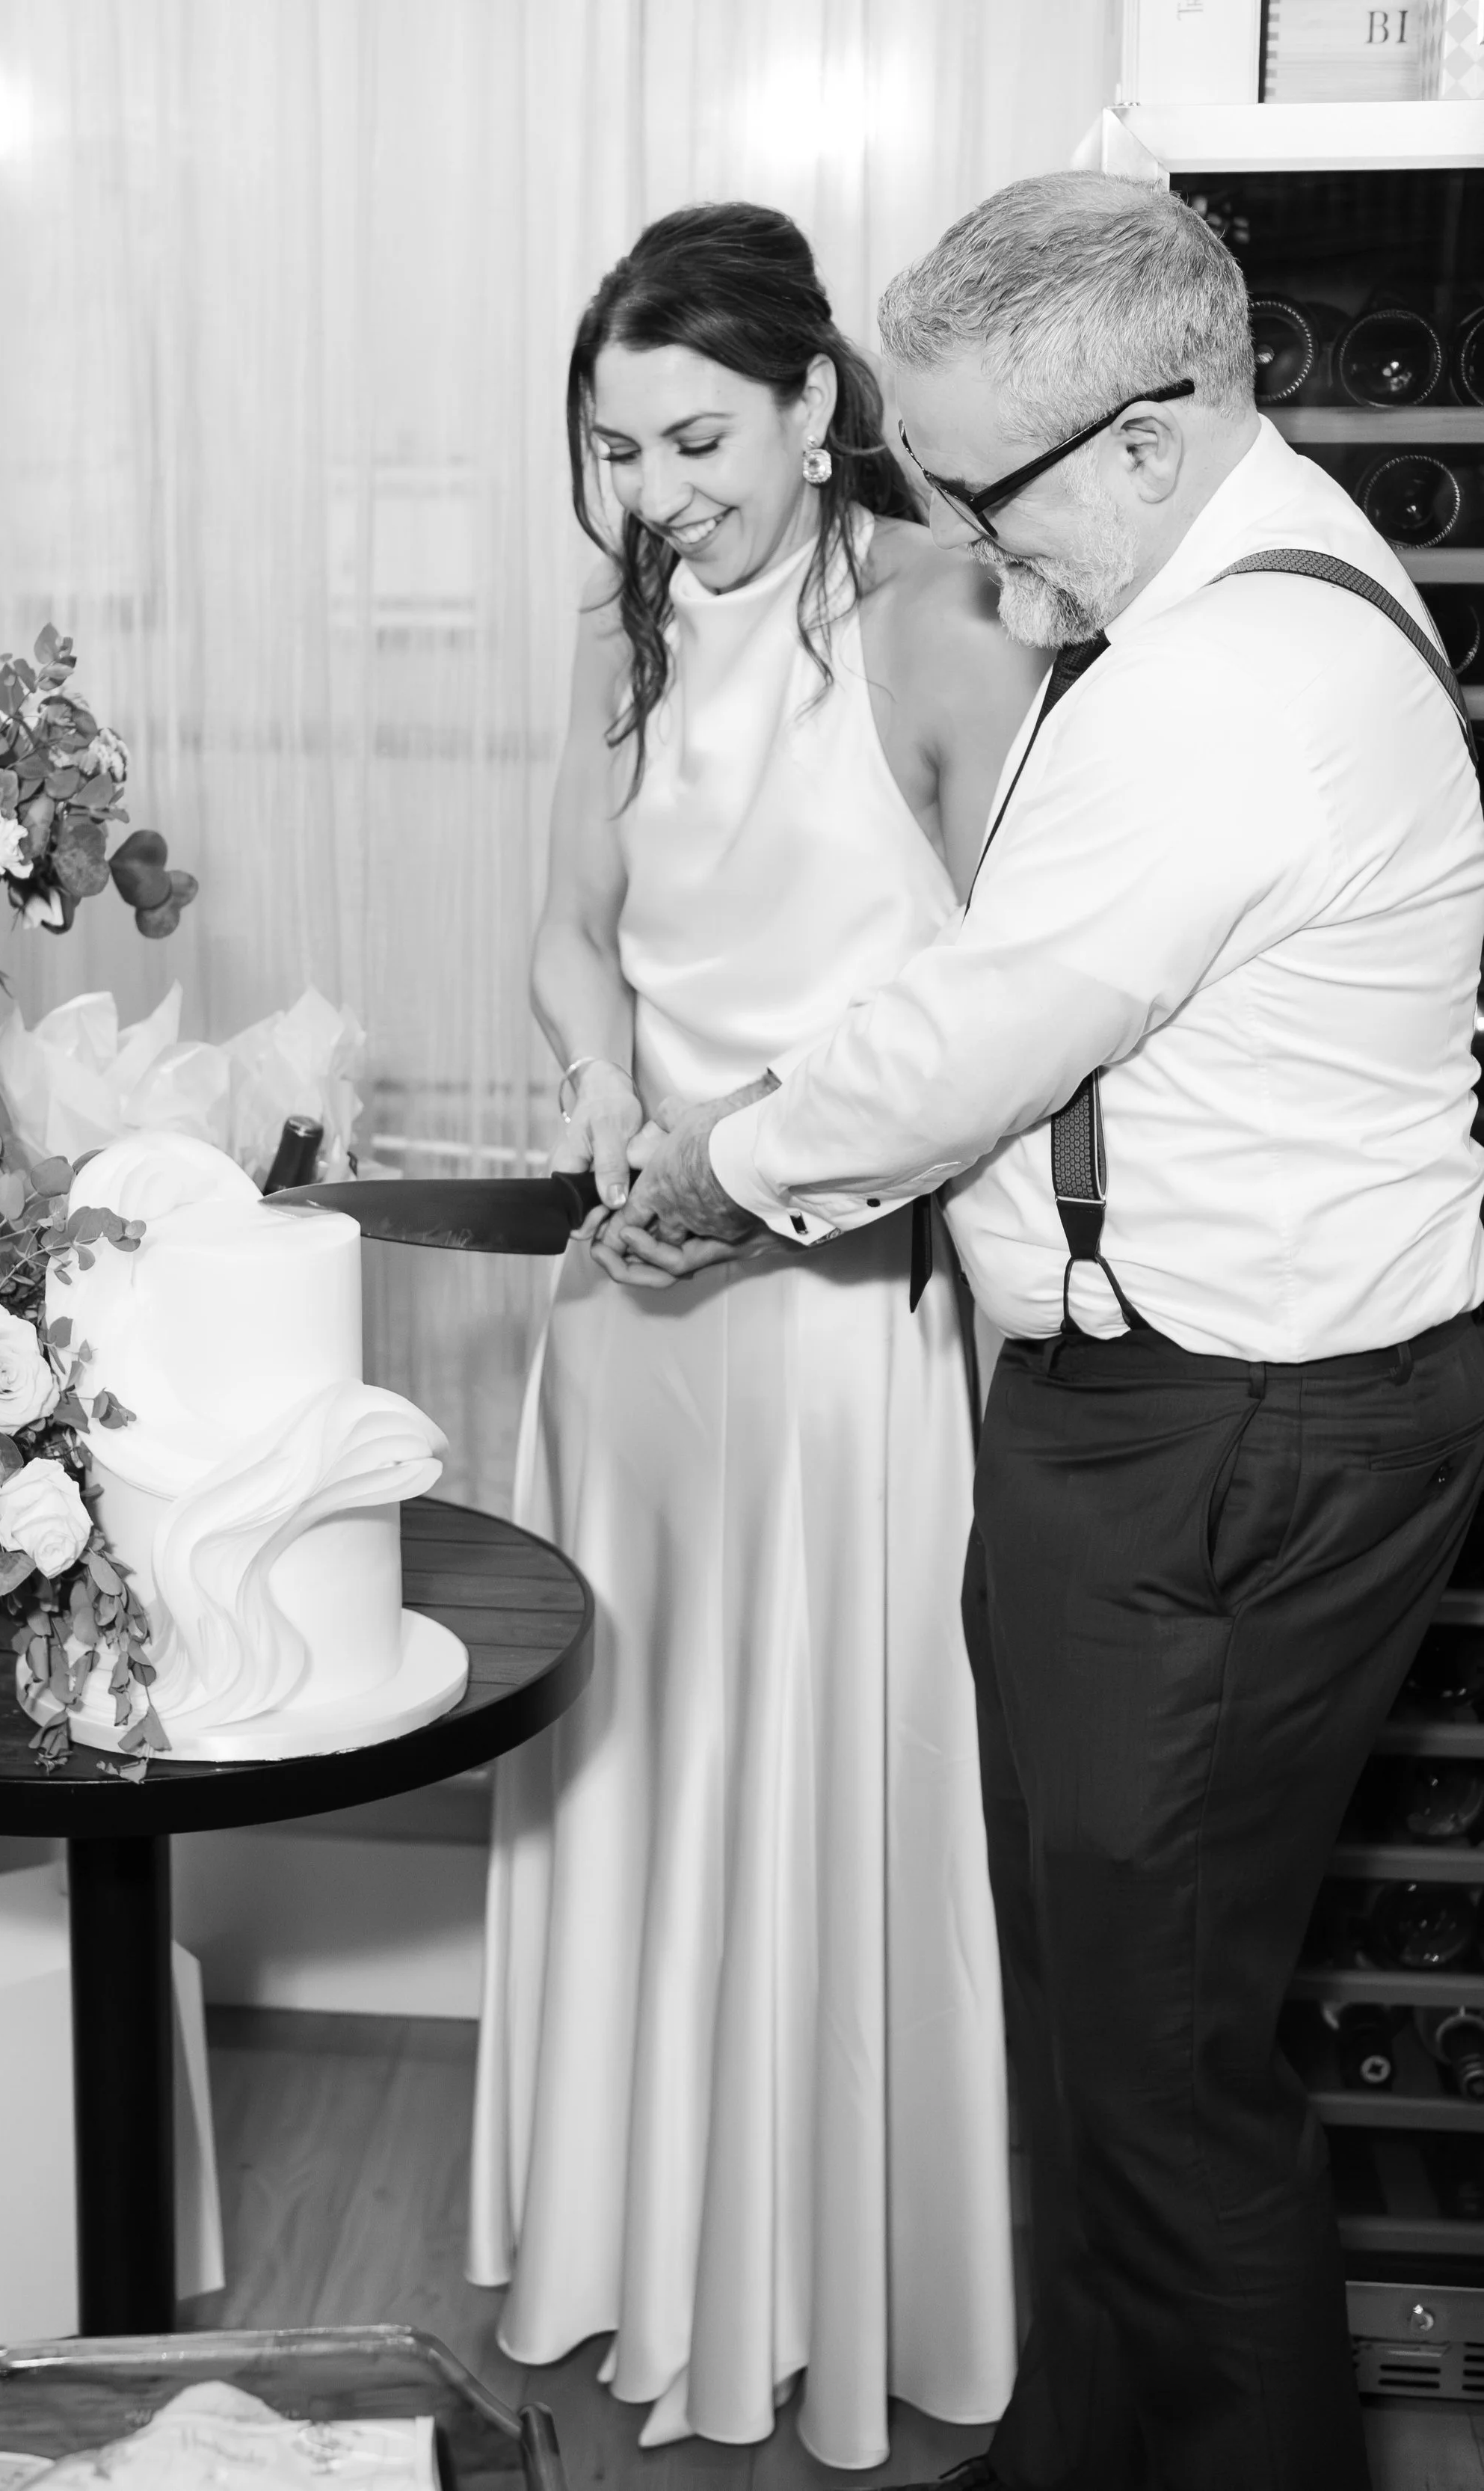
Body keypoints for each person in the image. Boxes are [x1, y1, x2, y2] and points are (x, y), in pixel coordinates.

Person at [615, 172, 1484, 2491]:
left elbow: (964, 1048)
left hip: (1221, 1436)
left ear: (1148, 427)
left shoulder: (1221, 692)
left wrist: (715, 1167)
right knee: (1111, 2033)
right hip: (1222, 1408)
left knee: (1169, 2077)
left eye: (984, 487)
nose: (977, 551)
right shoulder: (1262, 593)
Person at [466, 202, 1045, 2470]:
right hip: (628, 1324)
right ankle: (624, 2256)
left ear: (817, 407)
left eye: (693, 438)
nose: (650, 495)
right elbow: (565, 931)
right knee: (619, 1777)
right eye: (611, 450)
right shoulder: (624, 641)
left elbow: (1006, 1016)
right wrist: (611, 1102)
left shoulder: (943, 630)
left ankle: (815, 2291)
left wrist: (759, 1175)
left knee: (815, 1791)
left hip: (822, 1324)